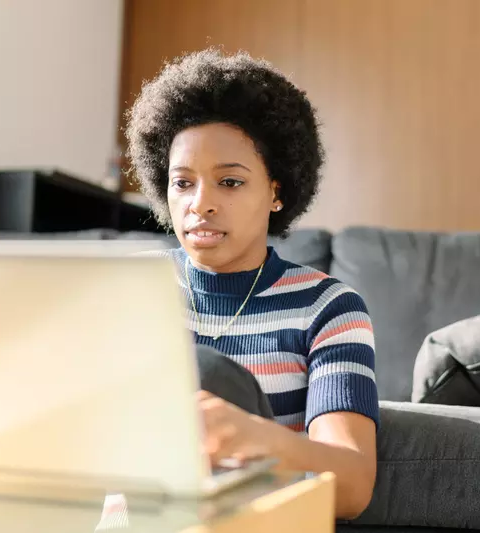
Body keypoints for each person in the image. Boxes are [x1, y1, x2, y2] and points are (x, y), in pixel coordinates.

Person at [126, 48, 379, 519]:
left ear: (276, 191)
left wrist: (259, 438)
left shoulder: (330, 308)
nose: (200, 204)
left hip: (251, 523)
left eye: (230, 183)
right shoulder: (125, 290)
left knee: (212, 375)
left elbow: (352, 483)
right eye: (183, 183)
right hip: (128, 516)